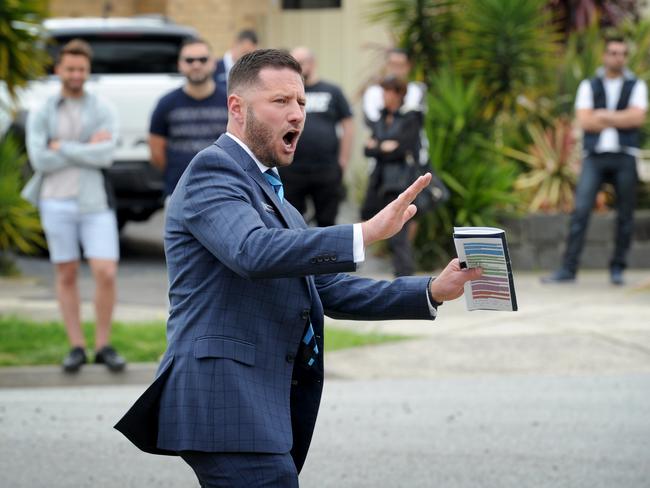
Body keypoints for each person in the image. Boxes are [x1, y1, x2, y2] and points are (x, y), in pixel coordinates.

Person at [115, 49, 482, 487]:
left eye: (302, 103)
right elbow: (252, 251)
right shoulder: (212, 171)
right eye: (281, 102)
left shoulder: (275, 197)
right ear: (237, 107)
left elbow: (328, 289)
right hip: (223, 396)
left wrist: (432, 291)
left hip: (259, 405)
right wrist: (364, 232)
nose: (297, 115)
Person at [22, 39, 125, 372]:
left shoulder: (103, 108)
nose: (76, 74)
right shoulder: (43, 111)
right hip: (55, 200)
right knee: (66, 274)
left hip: (95, 202)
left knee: (105, 272)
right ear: (59, 70)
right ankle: (76, 346)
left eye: (82, 68)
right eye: (70, 68)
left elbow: (106, 154)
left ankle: (103, 345)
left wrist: (62, 146)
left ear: (88, 70)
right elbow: (39, 159)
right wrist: (84, 148)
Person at [542, 37, 647, 286]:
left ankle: (618, 268)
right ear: (605, 55)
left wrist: (602, 115)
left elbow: (637, 119)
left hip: (625, 155)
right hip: (595, 157)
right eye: (612, 52)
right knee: (580, 211)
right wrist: (619, 117)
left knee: (625, 215)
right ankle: (568, 268)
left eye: (622, 53)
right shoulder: (589, 85)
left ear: (626, 57)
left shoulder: (637, 84)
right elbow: (585, 121)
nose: (617, 57)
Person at [278, 46, 354, 226]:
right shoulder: (287, 94)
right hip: (292, 169)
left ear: (313, 63)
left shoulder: (332, 91)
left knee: (327, 221)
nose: (296, 68)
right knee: (291, 222)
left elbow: (348, 124)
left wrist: (343, 160)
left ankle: (326, 255)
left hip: (326, 169)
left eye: (300, 63)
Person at [149, 38, 228, 197]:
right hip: (179, 192)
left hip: (225, 192)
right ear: (180, 64)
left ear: (213, 63)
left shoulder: (230, 102)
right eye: (189, 60)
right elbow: (156, 152)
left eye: (203, 59)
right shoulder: (166, 103)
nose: (196, 65)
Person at [362, 75, 424, 277]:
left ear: (398, 94)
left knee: (399, 232)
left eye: (387, 91)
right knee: (365, 217)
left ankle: (404, 275)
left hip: (399, 182)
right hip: (378, 180)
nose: (384, 96)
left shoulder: (410, 118)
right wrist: (384, 147)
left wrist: (378, 147)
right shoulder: (380, 117)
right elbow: (367, 149)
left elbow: (402, 149)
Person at [362, 48, 426, 125]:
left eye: (400, 65)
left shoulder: (416, 90)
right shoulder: (373, 91)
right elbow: (371, 120)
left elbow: (414, 118)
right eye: (393, 64)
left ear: (408, 66)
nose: (396, 69)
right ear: (386, 65)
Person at [213, 29, 259, 93]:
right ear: (234, 45)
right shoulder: (214, 67)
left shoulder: (255, 70)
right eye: (244, 52)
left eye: (252, 55)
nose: (248, 58)